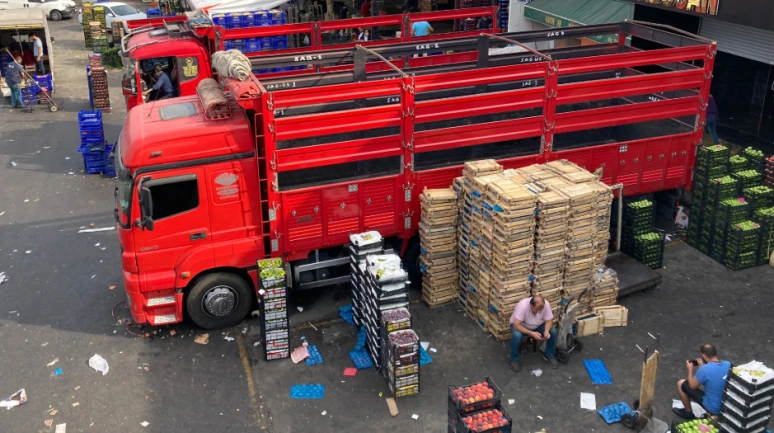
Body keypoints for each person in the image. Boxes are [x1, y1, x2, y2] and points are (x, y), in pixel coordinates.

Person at [673, 344, 731, 419]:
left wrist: (690, 370)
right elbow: (713, 378)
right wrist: (702, 367)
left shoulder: (705, 370)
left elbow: (692, 386)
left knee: (680, 383)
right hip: (726, 405)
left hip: (713, 408)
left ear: (703, 356)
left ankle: (688, 413)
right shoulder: (728, 364)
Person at [509, 295, 558, 372]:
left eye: (540, 310)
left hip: (537, 325)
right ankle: (514, 360)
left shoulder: (546, 305)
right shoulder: (522, 306)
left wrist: (546, 330)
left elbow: (549, 321)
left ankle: (549, 355)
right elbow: (516, 325)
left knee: (553, 332)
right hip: (521, 325)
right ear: (531, 305)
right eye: (536, 309)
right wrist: (531, 333)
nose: (538, 312)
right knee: (517, 336)